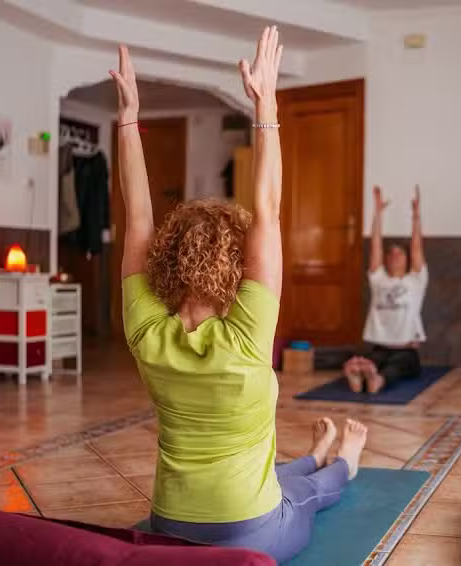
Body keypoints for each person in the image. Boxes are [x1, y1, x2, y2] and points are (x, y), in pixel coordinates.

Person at [110, 27, 368, 563]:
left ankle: (314, 453)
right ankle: (345, 461)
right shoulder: (248, 335)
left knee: (276, 474)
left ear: (165, 257)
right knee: (305, 495)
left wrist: (129, 118)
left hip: (168, 525)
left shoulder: (145, 331)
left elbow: (137, 219)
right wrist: (266, 103)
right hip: (248, 534)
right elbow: (267, 210)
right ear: (235, 266)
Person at [343, 185, 428, 394]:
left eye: (400, 254)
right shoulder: (379, 279)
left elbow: (417, 247)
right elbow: (375, 246)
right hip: (380, 349)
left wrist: (416, 217)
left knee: (396, 367)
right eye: (390, 254)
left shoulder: (415, 281)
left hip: (406, 351)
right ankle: (359, 377)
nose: (394, 256)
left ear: (407, 260)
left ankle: (377, 380)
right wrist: (378, 213)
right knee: (367, 361)